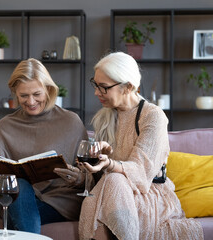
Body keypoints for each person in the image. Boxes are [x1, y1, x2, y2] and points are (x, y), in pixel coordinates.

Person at [78, 52, 203, 240]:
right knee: (111, 183)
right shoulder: (106, 117)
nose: (96, 92)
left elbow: (142, 172)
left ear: (128, 87)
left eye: (103, 87)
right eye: (95, 85)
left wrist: (110, 163)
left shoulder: (153, 116)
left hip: (148, 195)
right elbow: (101, 174)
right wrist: (80, 175)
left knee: (114, 181)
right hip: (115, 194)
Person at [0, 58, 88, 234]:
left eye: (37, 94)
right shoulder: (6, 125)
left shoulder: (71, 122)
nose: (30, 101)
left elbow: (88, 176)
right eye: (24, 95)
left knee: (17, 216)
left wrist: (78, 178)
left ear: (48, 90)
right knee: (18, 185)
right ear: (14, 93)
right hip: (19, 199)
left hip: (60, 203)